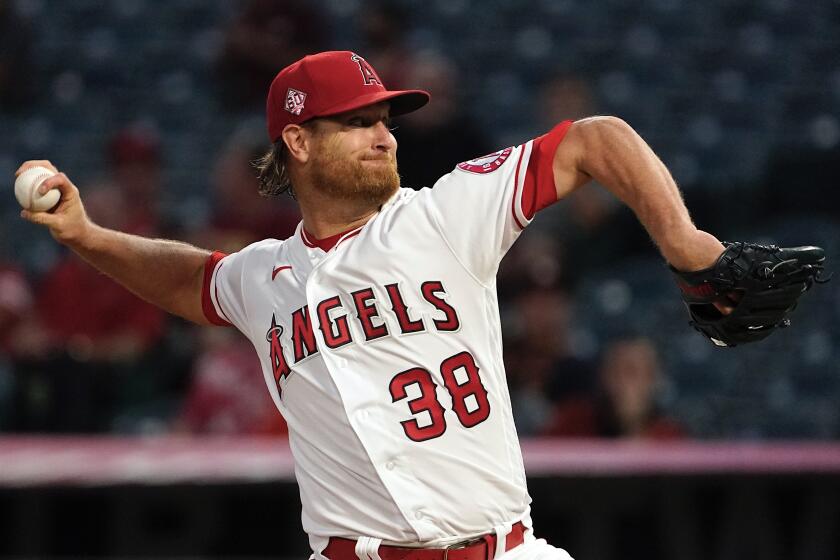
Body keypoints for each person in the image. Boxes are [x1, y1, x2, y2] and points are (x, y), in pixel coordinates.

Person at [17, 51, 728, 559]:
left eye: (385, 118)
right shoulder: (266, 277)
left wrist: (688, 243)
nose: (386, 134)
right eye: (358, 122)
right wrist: (87, 235)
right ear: (297, 140)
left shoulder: (445, 215)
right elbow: (192, 281)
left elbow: (591, 140)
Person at [543, 336, 684, 439]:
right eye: (615, 372)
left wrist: (632, 428)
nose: (623, 383)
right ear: (603, 378)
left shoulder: (670, 437)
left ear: (653, 380)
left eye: (632, 372)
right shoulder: (574, 424)